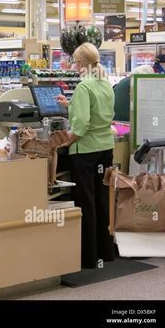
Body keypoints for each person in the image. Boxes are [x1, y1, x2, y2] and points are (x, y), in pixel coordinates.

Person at [56, 42, 115, 269]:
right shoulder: (104, 83)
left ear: (80, 63)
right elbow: (98, 113)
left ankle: (88, 257)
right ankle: (104, 252)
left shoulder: (83, 87)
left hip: (86, 152)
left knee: (85, 202)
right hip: (105, 148)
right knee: (102, 200)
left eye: (74, 61)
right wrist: (70, 104)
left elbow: (80, 126)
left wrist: (65, 142)